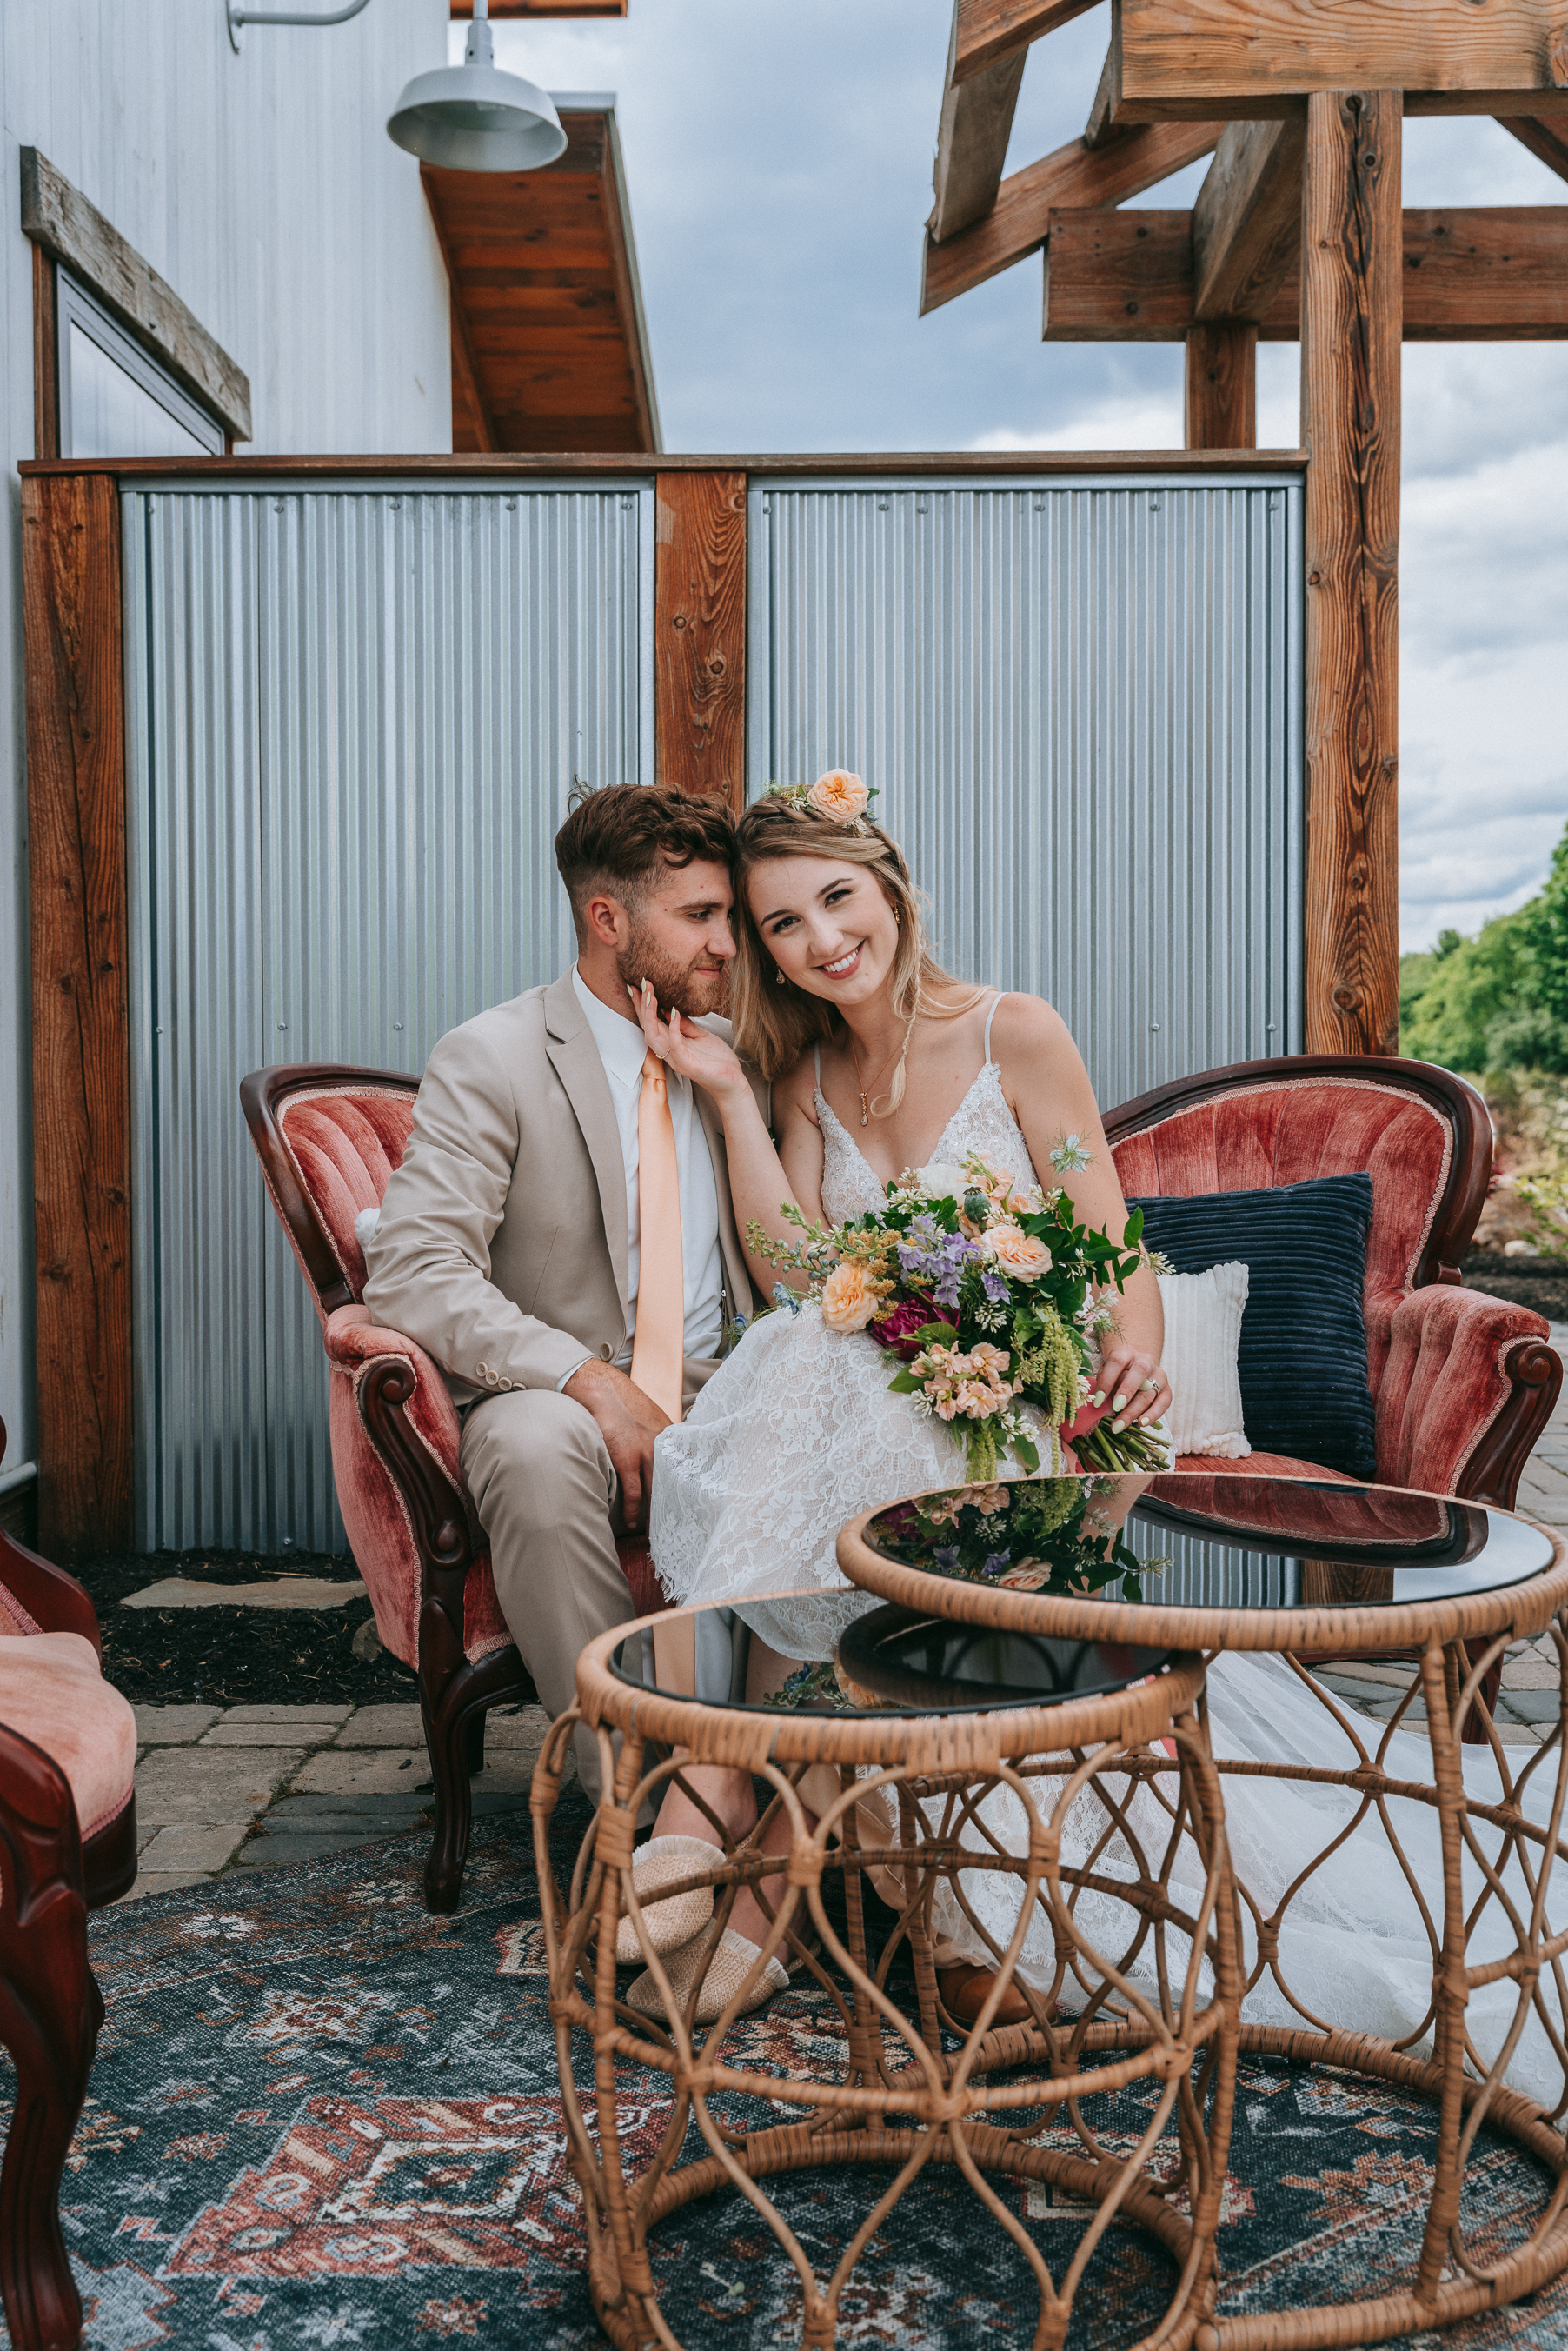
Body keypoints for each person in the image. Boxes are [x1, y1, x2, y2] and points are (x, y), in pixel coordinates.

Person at [626, 782, 1171, 2026]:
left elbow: (1109, 1236)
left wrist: (1141, 1362)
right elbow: (801, 1275)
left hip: (1035, 1413)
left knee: (829, 1358)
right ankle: (767, 1854)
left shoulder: (1013, 1033)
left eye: (836, 897)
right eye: (780, 925)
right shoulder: (805, 1072)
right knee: (821, 1342)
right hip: (898, 1418)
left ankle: (727, 1820)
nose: (820, 939)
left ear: (888, 890)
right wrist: (724, 1094)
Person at [362, 783, 765, 1800]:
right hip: (548, 1394)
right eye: (701, 917)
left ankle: (810, 1784)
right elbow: (414, 1269)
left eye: (731, 914)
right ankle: (642, 1812)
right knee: (537, 1449)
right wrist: (586, 1376)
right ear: (607, 918)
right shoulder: (492, 1056)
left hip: (733, 1377)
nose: (729, 941)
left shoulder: (739, 1055)